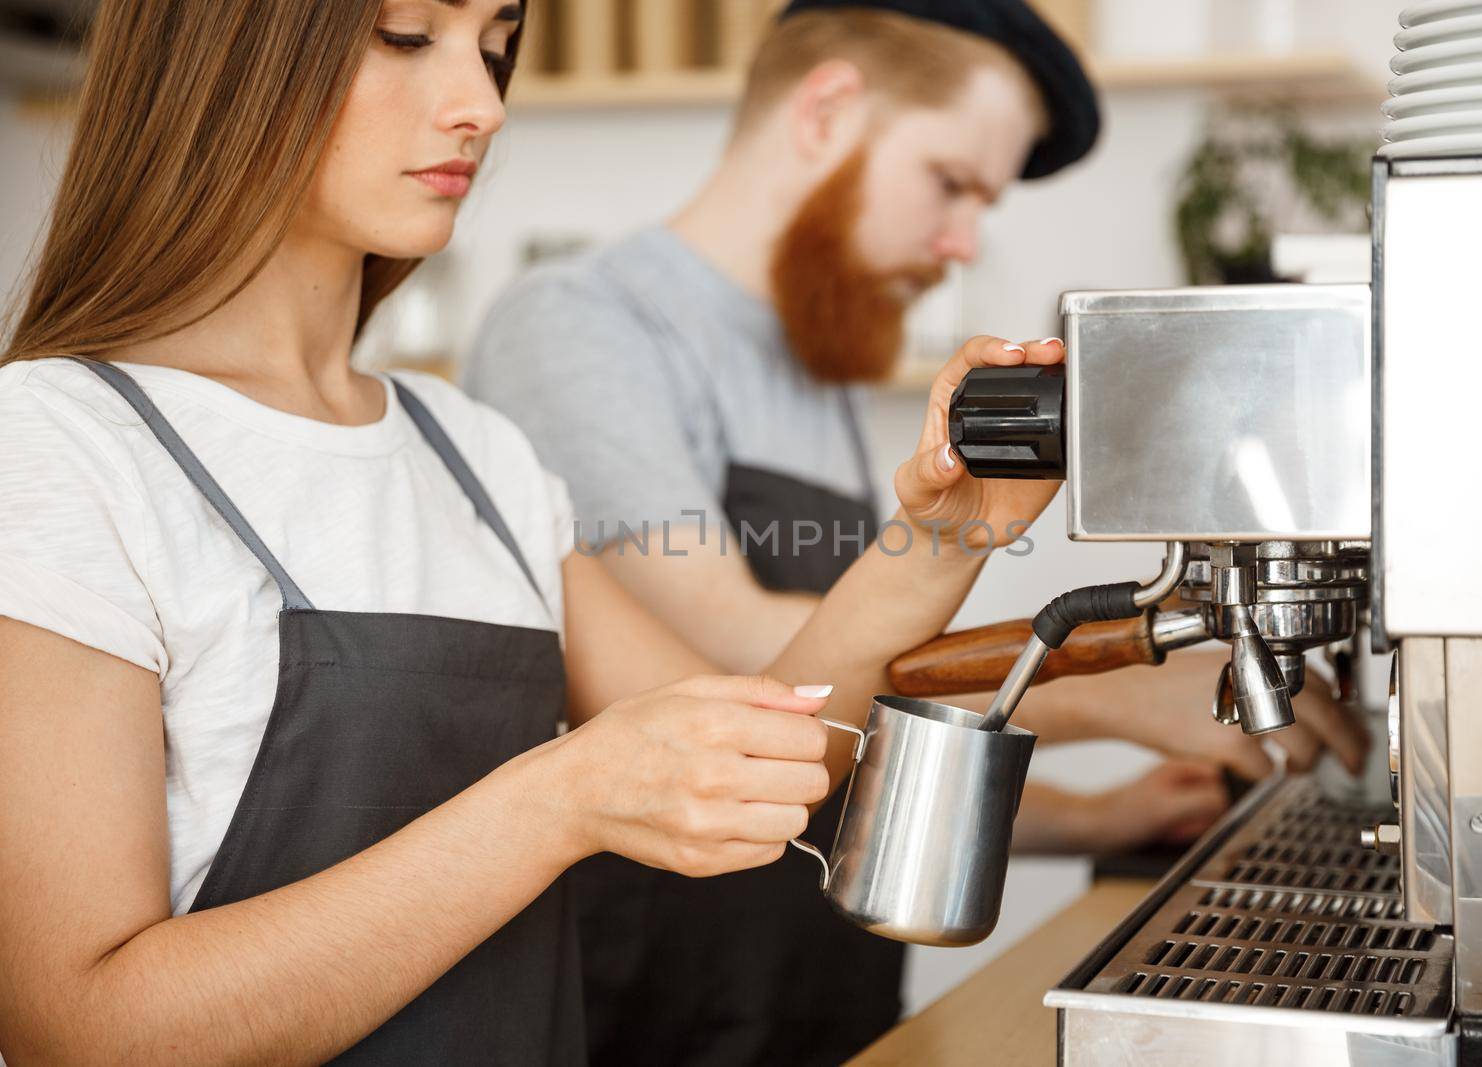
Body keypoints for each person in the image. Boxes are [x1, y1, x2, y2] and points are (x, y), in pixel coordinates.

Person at [0, 2, 1078, 1063]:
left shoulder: (471, 450)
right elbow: (84, 1026)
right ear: (227, 54)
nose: (480, 103)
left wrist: (944, 536)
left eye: (496, 48)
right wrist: (556, 800)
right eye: (407, 38)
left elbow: (770, 737)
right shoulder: (61, 442)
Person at [465, 1, 1370, 1063]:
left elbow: (840, 755)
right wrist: (1112, 681)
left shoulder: (813, 364)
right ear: (828, 108)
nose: (962, 243)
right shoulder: (580, 326)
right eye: (950, 184)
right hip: (655, 998)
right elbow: (749, 669)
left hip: (817, 999)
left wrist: (1091, 818)